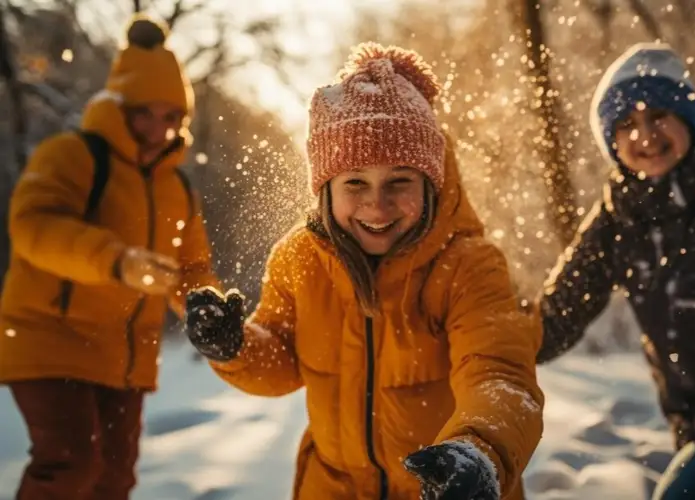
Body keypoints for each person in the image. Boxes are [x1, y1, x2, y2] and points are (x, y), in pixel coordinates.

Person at [183, 42, 544, 500]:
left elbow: (499, 375)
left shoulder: (468, 266)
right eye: (355, 181)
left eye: (400, 181)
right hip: (332, 486)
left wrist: (479, 451)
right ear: (326, 190)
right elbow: (282, 360)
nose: (377, 203)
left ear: (431, 185)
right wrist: (235, 347)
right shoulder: (300, 259)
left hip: (446, 488)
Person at [535, 42, 695, 499]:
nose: (644, 135)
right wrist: (483, 336)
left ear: (688, 119)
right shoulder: (618, 220)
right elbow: (556, 318)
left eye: (658, 115)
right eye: (626, 124)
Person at [0, 15, 217, 500]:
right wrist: (118, 261)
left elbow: (193, 269)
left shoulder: (178, 187)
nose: (159, 129)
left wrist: (207, 307)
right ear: (119, 106)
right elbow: (34, 227)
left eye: (171, 117)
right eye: (146, 113)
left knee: (114, 482)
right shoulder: (72, 155)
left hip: (124, 357)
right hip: (50, 337)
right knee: (70, 465)